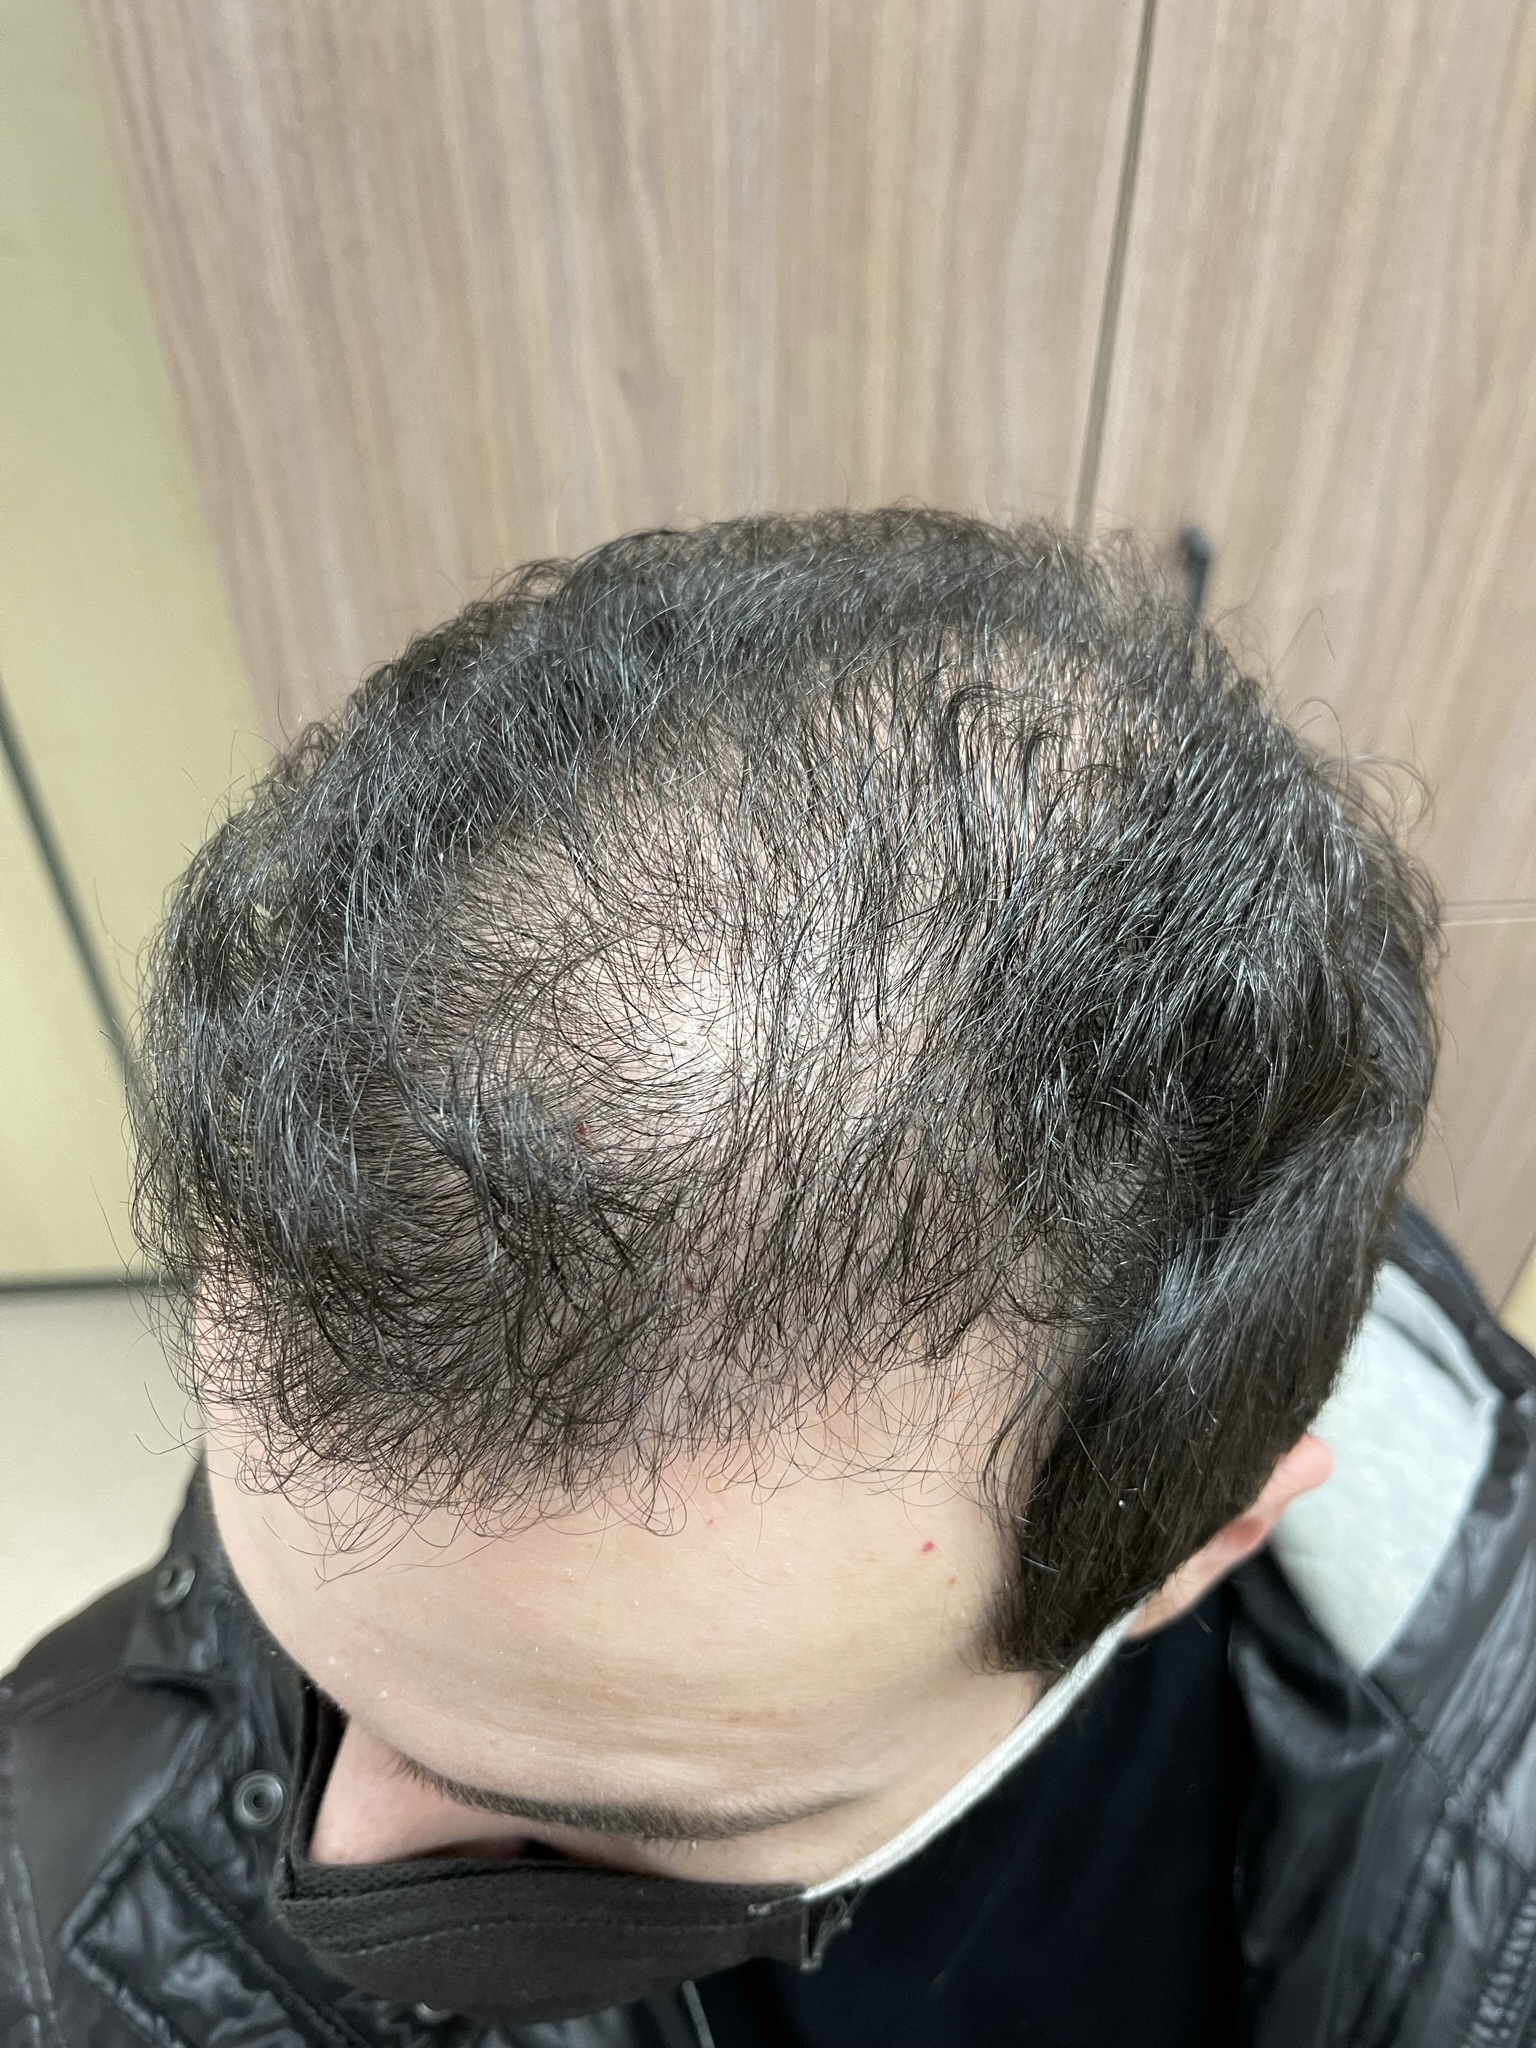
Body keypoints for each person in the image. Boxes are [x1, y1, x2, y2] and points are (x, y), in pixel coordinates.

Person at [4, 512, 1534, 2048]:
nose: (329, 1858)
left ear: (1204, 1547)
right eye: (310, 1653)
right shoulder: (60, 1887)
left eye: (589, 1825)